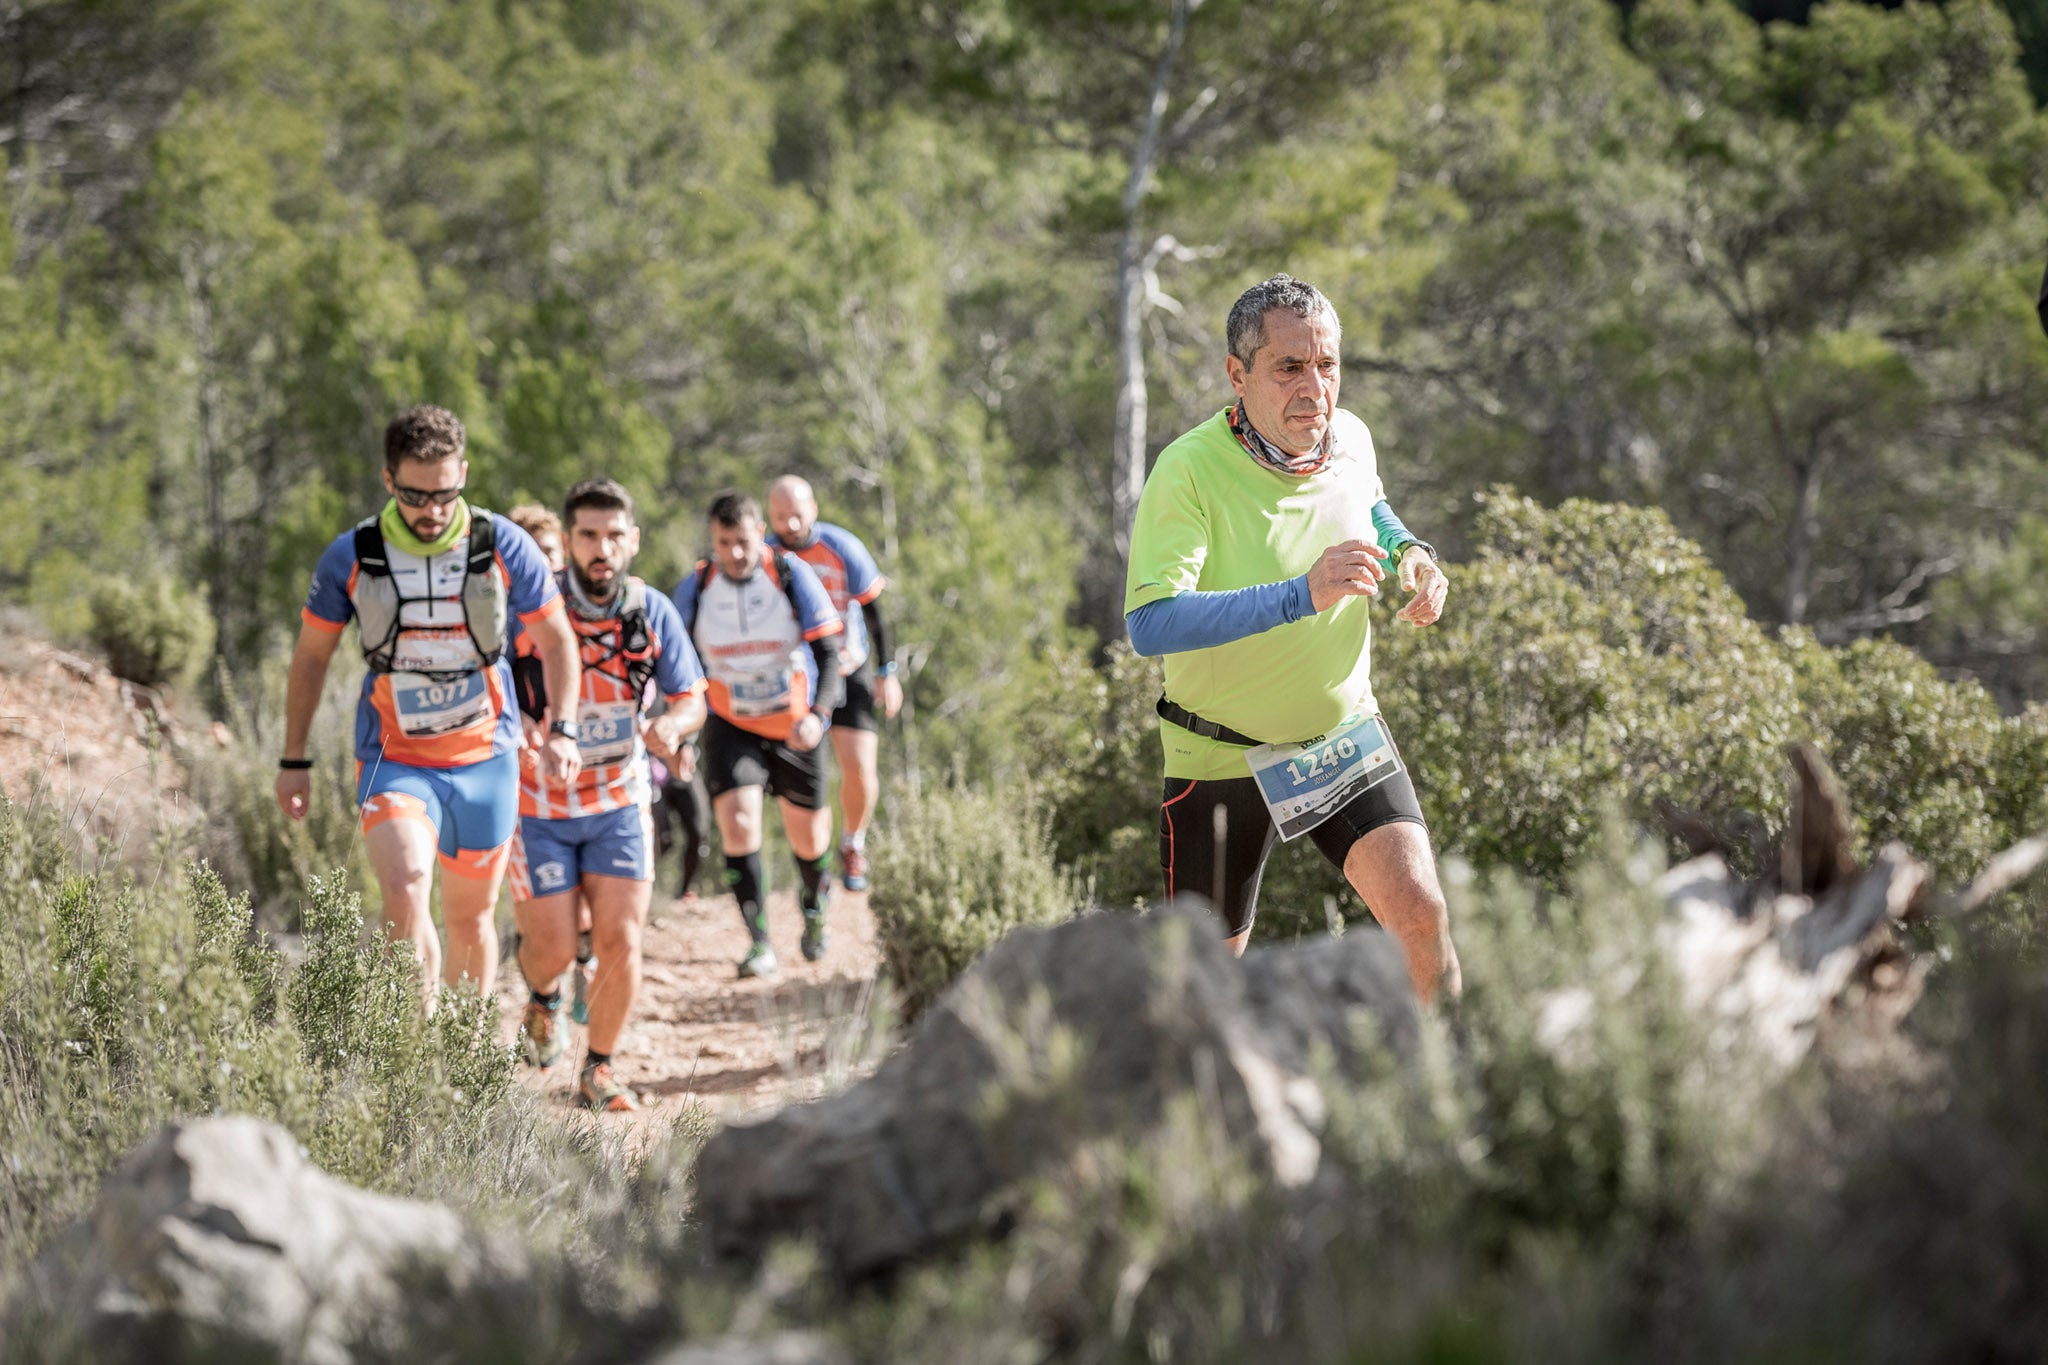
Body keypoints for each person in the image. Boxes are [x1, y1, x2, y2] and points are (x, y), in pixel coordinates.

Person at [1124, 275, 1461, 1002]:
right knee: (1202, 988)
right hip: (1220, 753)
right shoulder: (1188, 470)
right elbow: (1150, 623)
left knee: (1423, 919)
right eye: (1289, 367)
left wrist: (1411, 553)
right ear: (1237, 375)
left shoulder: (1350, 439)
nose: (1315, 388)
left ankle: (1447, 1098)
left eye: (1328, 364)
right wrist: (1300, 595)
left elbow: (1370, 504)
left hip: (1340, 735)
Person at [276, 406, 582, 1009]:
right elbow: (310, 658)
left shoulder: (503, 545)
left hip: (485, 760)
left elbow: (556, 642)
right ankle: (418, 1052)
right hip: (395, 757)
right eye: (415, 495)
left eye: (445, 494)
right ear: (388, 481)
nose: (432, 511)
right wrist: (294, 759)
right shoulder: (353, 555)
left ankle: (463, 1056)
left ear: (463, 474)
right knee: (407, 887)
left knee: (471, 920)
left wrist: (564, 730)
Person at [508, 478, 707, 1111]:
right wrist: (517, 731)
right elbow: (491, 680)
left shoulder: (650, 610)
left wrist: (672, 727)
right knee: (555, 950)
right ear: (567, 543)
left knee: (621, 938)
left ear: (634, 541)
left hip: (619, 800)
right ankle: (544, 995)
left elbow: (692, 696)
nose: (602, 549)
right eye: (589, 536)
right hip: (538, 807)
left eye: (614, 536)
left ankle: (599, 1067)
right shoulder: (530, 611)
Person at [674, 491, 844, 978]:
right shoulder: (699, 586)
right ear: (714, 541)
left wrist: (819, 713)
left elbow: (829, 653)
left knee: (809, 839)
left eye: (744, 541)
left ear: (759, 536)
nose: (736, 553)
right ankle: (759, 940)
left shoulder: (789, 575)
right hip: (730, 722)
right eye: (725, 543)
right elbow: (677, 665)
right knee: (739, 824)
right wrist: (682, 731)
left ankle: (815, 909)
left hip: (793, 725)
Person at [765, 476, 901, 891]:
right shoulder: (765, 557)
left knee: (859, 767)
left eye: (797, 513)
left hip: (847, 666)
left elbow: (876, 613)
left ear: (814, 509)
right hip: (797, 679)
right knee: (809, 779)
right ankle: (815, 862)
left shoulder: (843, 548)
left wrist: (887, 672)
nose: (789, 522)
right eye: (780, 514)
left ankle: (853, 843)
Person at [506, 504, 600, 1022]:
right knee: (547, 912)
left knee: (591, 895)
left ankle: (582, 971)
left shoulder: (592, 607)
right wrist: (517, 720)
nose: (539, 564)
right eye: (528, 554)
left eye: (547, 553)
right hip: (530, 782)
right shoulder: (502, 616)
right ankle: (545, 994)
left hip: (598, 775)